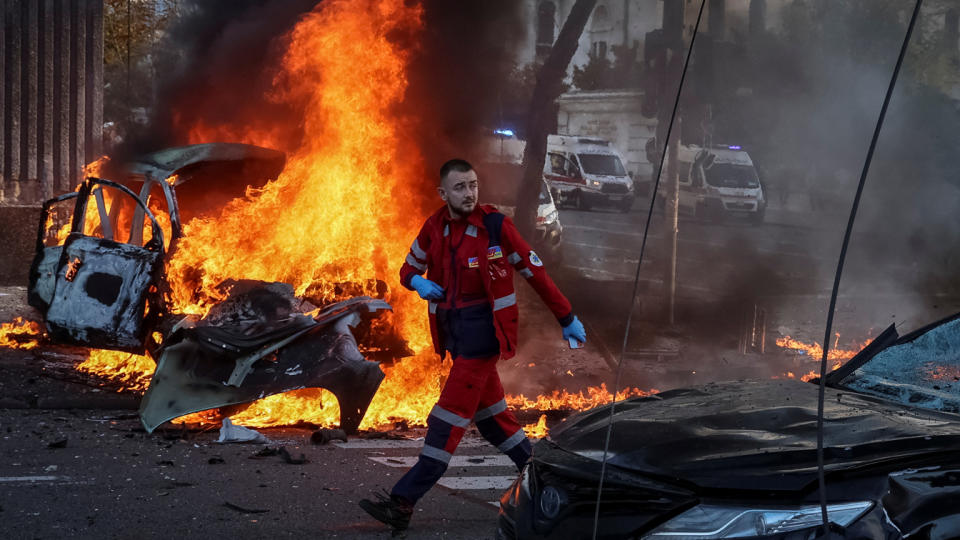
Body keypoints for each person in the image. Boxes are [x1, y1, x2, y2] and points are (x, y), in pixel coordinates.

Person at [359, 158, 586, 532]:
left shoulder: (496, 227)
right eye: (460, 187)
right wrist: (417, 283)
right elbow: (406, 269)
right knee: (495, 421)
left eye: (473, 185)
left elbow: (535, 272)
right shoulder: (434, 228)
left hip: (484, 339)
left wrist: (566, 318)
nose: (469, 193)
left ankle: (402, 502)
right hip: (456, 339)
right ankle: (548, 481)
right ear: (443, 193)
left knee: (445, 421)